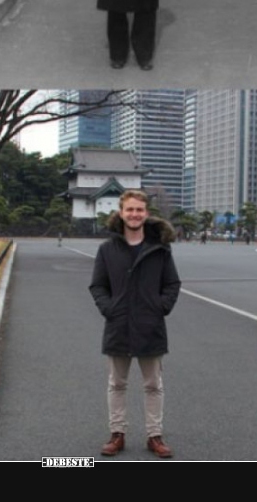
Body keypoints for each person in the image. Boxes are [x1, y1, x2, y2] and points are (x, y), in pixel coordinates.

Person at [89, 190, 181, 458]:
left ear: (146, 213)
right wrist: (109, 309)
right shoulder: (107, 249)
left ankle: (155, 435)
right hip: (118, 324)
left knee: (153, 384)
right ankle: (117, 434)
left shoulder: (160, 249)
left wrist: (160, 307)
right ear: (121, 212)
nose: (134, 214)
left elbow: (172, 283)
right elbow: (98, 285)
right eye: (129, 209)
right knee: (117, 383)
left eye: (139, 210)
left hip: (150, 324)